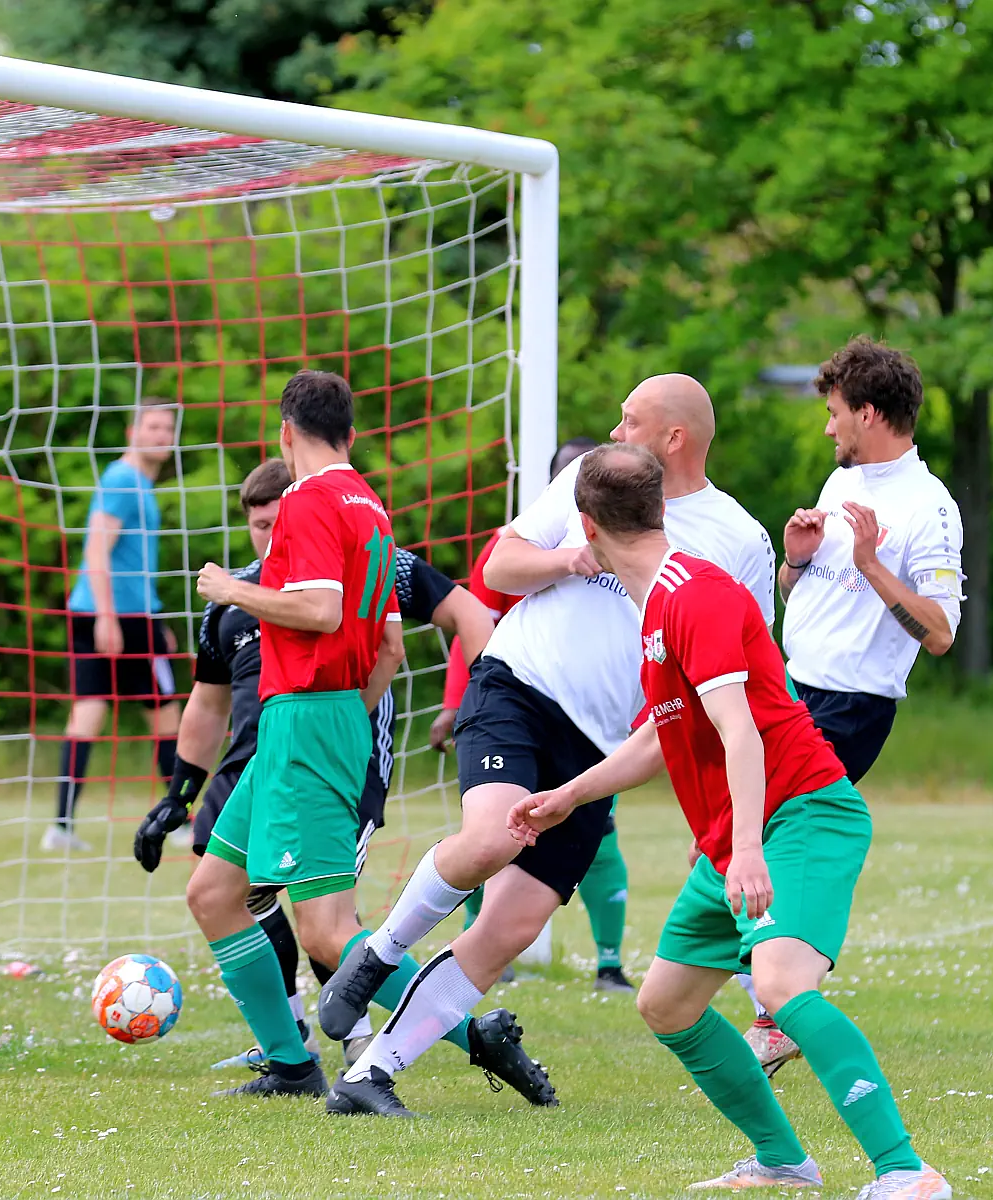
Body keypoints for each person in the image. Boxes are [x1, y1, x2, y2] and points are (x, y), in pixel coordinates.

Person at [317, 374, 773, 1117]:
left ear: (674, 438)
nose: (616, 432)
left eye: (630, 420)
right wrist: (571, 560)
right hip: (517, 689)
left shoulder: (738, 538)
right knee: (493, 838)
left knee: (511, 927)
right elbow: (497, 569)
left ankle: (370, 1076)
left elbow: (734, 675)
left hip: (602, 746)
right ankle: (379, 952)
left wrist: (719, 810)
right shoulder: (594, 477)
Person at [507, 444, 949, 1198]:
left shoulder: (694, 595)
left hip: (800, 814)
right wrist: (569, 796)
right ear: (658, 509)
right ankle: (783, 1161)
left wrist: (746, 849)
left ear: (586, 526)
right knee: (667, 1003)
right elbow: (659, 736)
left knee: (779, 984)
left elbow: (739, 730)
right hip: (737, 835)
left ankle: (906, 1172)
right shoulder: (658, 603)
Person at [149, 371, 552, 1104]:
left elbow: (321, 612)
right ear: (352, 434)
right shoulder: (369, 504)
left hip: (308, 719)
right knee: (213, 891)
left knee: (328, 931)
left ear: (285, 432)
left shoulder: (308, 499)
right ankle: (291, 1064)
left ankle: (474, 1034)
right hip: (301, 721)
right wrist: (348, 714)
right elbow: (385, 640)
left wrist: (232, 589)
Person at [743, 336, 965, 1075]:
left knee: (775, 838)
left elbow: (940, 633)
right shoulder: (841, 483)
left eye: (836, 412)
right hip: (792, 687)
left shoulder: (930, 507)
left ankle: (776, 1009)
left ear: (868, 413)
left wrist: (871, 563)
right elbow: (800, 596)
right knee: (749, 835)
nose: (827, 427)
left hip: (851, 706)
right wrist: (796, 560)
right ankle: (767, 996)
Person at [441, 436, 638, 994]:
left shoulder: (648, 540)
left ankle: (609, 964)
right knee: (492, 836)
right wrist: (457, 702)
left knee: (600, 841)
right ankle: (454, 943)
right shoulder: (522, 542)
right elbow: (474, 622)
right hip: (518, 707)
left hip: (598, 730)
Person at [43, 400, 182, 853]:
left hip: (124, 614)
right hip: (113, 616)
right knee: (166, 716)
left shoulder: (137, 482)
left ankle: (61, 826)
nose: (162, 435)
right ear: (132, 432)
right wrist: (107, 615)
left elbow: (128, 561)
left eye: (168, 428)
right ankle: (179, 822)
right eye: (153, 426)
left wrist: (156, 618)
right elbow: (96, 550)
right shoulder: (123, 480)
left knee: (91, 713)